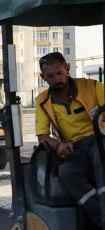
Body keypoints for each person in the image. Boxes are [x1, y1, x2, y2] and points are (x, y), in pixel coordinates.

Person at [35, 52, 105, 228]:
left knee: (101, 159)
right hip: (74, 147)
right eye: (50, 76)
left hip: (99, 138)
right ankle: (101, 218)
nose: (56, 78)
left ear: (67, 69)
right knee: (67, 174)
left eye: (59, 73)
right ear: (43, 77)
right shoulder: (42, 102)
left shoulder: (92, 86)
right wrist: (58, 145)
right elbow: (42, 136)